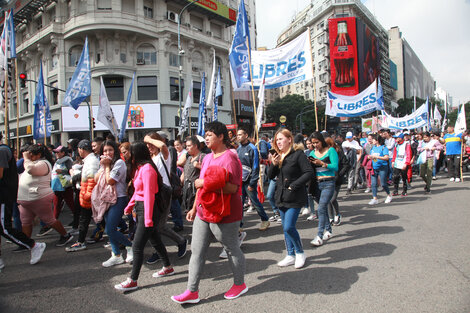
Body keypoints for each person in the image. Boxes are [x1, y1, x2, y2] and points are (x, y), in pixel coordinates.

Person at [172, 121, 247, 304]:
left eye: (209, 134)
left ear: (221, 137)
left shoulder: (230, 157)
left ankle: (239, 284)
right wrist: (193, 207)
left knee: (231, 249)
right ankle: (192, 291)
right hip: (204, 210)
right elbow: (201, 186)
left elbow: (233, 188)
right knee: (196, 251)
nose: (205, 137)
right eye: (205, 134)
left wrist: (205, 183)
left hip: (225, 212)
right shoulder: (206, 158)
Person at [114, 142, 174, 291]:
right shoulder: (141, 168)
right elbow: (138, 191)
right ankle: (167, 266)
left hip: (148, 210)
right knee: (155, 240)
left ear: (136, 154)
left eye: (129, 153)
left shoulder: (147, 169)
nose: (127, 155)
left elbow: (148, 195)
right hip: (142, 208)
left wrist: (147, 218)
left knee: (137, 246)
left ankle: (132, 280)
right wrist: (130, 205)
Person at [268, 129, 313, 269]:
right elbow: (270, 176)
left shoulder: (298, 155)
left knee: (289, 226)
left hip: (294, 196)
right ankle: (290, 254)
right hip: (281, 196)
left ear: (289, 139)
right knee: (285, 228)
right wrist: (274, 164)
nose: (278, 142)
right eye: (277, 140)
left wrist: (294, 185)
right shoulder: (279, 156)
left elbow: (309, 173)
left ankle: (300, 252)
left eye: (281, 139)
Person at [0, 134, 46, 267]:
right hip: (6, 195)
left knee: (5, 228)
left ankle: (34, 245)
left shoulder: (2, 151)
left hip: (4, 196)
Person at [17, 144, 73, 246]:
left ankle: (65, 235)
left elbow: (30, 169)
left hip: (39, 198)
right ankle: (26, 242)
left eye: (31, 155)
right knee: (25, 221)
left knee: (49, 219)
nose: (29, 157)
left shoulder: (43, 164)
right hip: (26, 199)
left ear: (38, 155)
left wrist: (26, 158)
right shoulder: (33, 163)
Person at [144, 132, 187, 264]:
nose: (149, 146)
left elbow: (162, 145)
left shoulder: (164, 155)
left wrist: (148, 138)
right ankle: (164, 248)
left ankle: (177, 243)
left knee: (158, 227)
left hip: (164, 194)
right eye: (147, 144)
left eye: (152, 143)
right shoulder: (149, 158)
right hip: (152, 194)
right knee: (155, 226)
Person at [94, 140, 133, 267]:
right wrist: (104, 166)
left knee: (110, 229)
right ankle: (116, 255)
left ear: (115, 150)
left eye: (110, 150)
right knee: (111, 229)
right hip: (105, 199)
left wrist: (106, 167)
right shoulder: (105, 163)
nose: (107, 153)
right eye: (104, 150)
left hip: (118, 198)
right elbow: (95, 179)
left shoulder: (119, 163)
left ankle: (130, 246)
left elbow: (110, 180)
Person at [66, 140, 100, 252]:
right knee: (95, 218)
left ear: (81, 149)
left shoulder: (91, 161)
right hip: (87, 194)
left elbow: (92, 179)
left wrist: (87, 196)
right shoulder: (90, 160)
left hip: (88, 195)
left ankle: (81, 242)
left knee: (84, 219)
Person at [236, 126, 270, 231]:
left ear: (246, 135)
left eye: (240, 134)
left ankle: (265, 220)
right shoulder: (238, 149)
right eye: (237, 135)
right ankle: (239, 225)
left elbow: (255, 167)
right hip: (240, 181)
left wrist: (252, 183)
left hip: (249, 181)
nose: (238, 137)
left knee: (255, 201)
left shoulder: (253, 148)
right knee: (239, 204)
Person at [309, 132, 338, 247]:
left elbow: (335, 167)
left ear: (322, 141)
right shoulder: (312, 153)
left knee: (320, 208)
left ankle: (319, 236)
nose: (315, 145)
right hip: (316, 183)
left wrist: (322, 163)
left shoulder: (331, 151)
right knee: (323, 208)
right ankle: (328, 230)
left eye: (317, 142)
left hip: (329, 182)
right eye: (313, 143)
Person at [51, 145, 76, 228]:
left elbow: (71, 171)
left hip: (65, 186)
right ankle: (53, 222)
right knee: (56, 204)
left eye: (58, 152)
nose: (56, 154)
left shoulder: (68, 160)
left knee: (70, 203)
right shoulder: (58, 160)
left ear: (63, 153)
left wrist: (62, 171)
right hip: (57, 186)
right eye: (55, 152)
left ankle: (77, 220)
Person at [325, 137, 349, 225]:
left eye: (327, 145)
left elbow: (346, 164)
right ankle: (330, 217)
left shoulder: (339, 152)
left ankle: (337, 214)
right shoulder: (324, 153)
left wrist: (339, 174)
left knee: (332, 199)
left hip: (337, 179)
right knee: (327, 199)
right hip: (327, 179)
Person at [180, 136, 206, 215]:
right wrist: (181, 180)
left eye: (189, 146)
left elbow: (208, 172)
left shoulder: (203, 157)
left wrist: (199, 166)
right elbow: (185, 171)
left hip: (196, 191)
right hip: (187, 189)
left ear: (195, 146)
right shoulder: (189, 158)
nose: (187, 148)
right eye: (186, 146)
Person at [367, 134, 392, 204]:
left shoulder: (383, 148)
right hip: (374, 167)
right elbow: (373, 157)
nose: (372, 141)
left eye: (373, 139)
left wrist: (377, 157)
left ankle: (389, 195)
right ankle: (375, 198)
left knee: (383, 183)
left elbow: (386, 157)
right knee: (373, 183)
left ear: (377, 140)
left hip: (383, 167)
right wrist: (371, 157)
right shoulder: (373, 148)